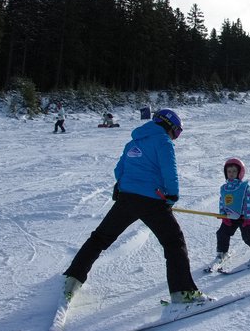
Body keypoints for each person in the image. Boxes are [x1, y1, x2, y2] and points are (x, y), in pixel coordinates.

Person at [60, 109, 211, 304]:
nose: (175, 137)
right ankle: (183, 293)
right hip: (153, 201)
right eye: (177, 132)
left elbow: (119, 170)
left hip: (126, 199)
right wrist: (172, 195)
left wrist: (123, 186)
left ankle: (73, 277)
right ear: (169, 126)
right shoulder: (163, 141)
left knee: (99, 238)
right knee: (174, 242)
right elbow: (169, 171)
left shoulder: (134, 142)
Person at [214, 158, 250, 265]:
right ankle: (222, 253)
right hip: (230, 217)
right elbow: (222, 202)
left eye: (234, 171)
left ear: (240, 172)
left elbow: (247, 202)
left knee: (248, 236)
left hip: (244, 217)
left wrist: (248, 217)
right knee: (222, 233)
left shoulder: (244, 186)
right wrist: (223, 214)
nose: (231, 173)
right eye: (229, 171)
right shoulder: (224, 188)